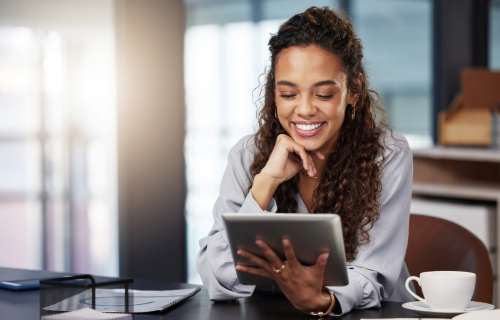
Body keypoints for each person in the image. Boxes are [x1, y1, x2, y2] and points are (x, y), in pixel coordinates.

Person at [196, 6, 415, 316]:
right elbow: (217, 280)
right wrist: (265, 183)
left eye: (323, 94)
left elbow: (373, 274)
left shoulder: (387, 154)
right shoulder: (248, 155)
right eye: (288, 94)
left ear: (353, 90)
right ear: (273, 93)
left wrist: (323, 301)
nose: (305, 109)